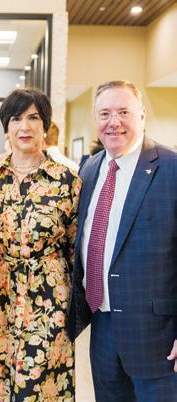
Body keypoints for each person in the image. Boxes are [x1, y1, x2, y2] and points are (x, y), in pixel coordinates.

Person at [68, 80, 177, 402]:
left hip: (157, 336)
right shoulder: (89, 169)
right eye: (104, 113)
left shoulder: (171, 168)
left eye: (123, 112)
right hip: (102, 326)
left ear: (142, 115)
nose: (113, 122)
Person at [0, 88, 81, 401]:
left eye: (33, 117)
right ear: (6, 126)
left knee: (42, 384)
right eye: (16, 118)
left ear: (45, 125)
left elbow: (76, 248)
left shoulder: (67, 181)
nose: (24, 126)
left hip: (48, 300)